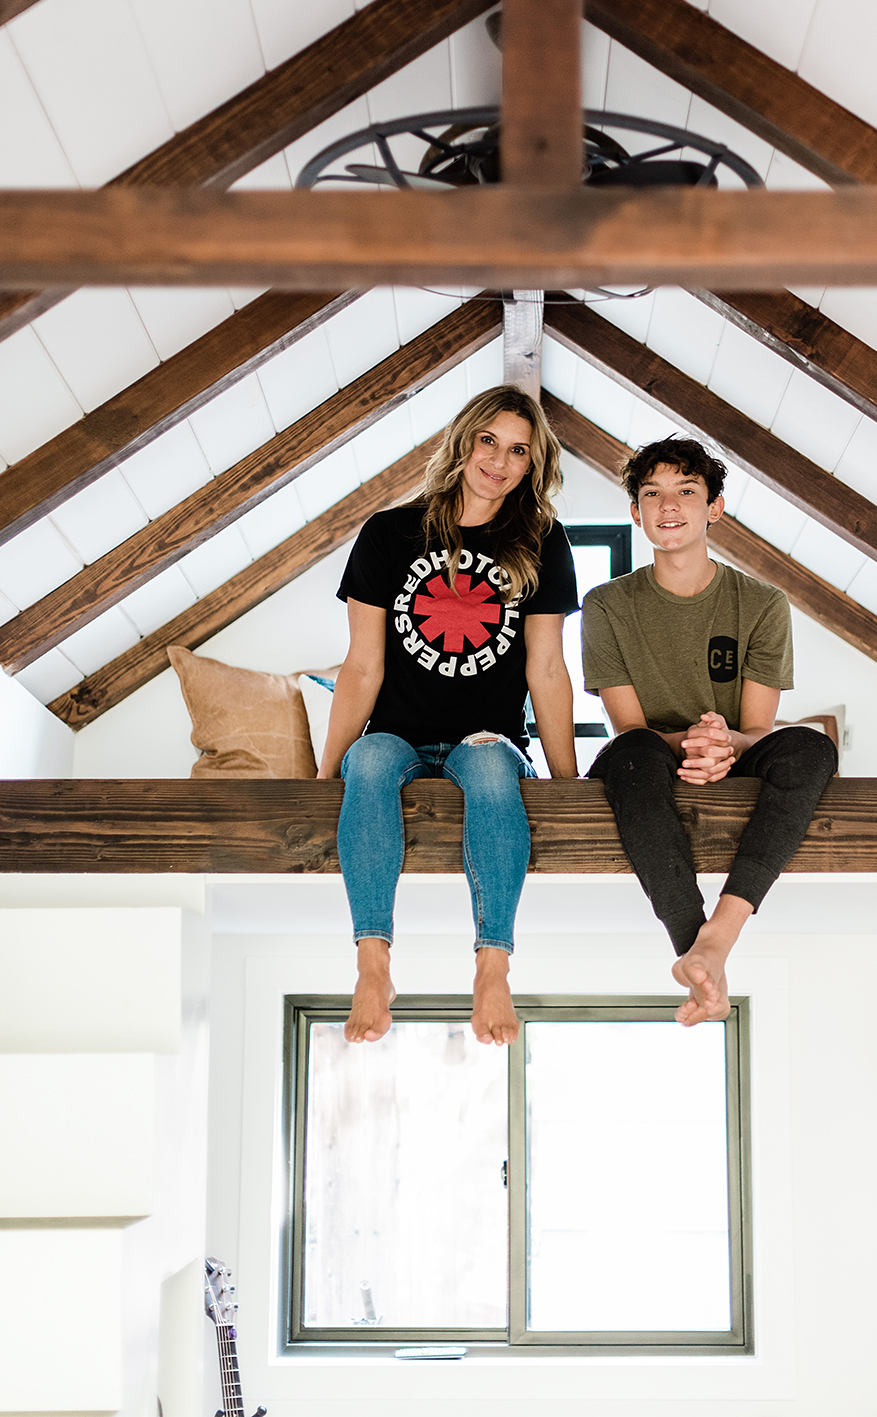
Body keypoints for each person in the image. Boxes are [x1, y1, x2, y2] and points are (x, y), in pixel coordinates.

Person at [318, 385, 579, 1049]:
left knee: (493, 767)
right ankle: (372, 964)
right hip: (397, 733)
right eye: (488, 440)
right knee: (370, 761)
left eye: (518, 450)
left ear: (532, 465)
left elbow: (546, 670)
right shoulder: (388, 534)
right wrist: (324, 773)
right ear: (464, 440)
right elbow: (362, 668)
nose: (499, 460)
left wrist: (568, 782)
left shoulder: (543, 542)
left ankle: (493, 965)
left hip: (486, 735)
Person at [582, 437, 837, 1025]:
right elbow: (630, 730)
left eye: (686, 491)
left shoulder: (763, 603)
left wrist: (723, 744)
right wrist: (694, 744)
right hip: (647, 756)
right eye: (653, 494)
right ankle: (692, 943)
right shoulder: (606, 605)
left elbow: (755, 730)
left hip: (732, 750)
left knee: (812, 747)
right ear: (635, 512)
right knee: (631, 753)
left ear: (714, 508)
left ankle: (718, 937)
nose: (668, 505)